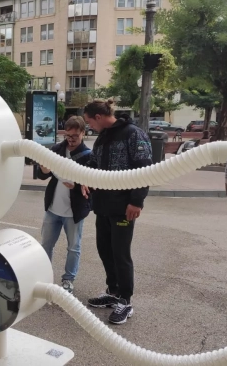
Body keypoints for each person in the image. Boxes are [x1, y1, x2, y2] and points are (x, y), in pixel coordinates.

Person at [82, 99, 152, 325]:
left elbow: (145, 169)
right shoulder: (102, 137)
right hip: (102, 205)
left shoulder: (133, 134)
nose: (90, 126)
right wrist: (84, 178)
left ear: (99, 117)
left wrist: (136, 201)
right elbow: (94, 164)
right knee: (105, 250)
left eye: (89, 122)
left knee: (120, 253)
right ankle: (112, 292)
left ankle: (125, 300)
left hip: (123, 207)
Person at [37, 116, 92, 294]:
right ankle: (44, 276)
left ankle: (68, 279)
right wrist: (43, 170)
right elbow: (43, 174)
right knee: (45, 244)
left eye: (75, 135)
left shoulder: (89, 156)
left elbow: (93, 186)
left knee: (74, 247)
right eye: (67, 135)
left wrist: (76, 186)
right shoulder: (57, 149)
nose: (70, 139)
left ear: (83, 133)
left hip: (74, 212)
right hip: (53, 209)